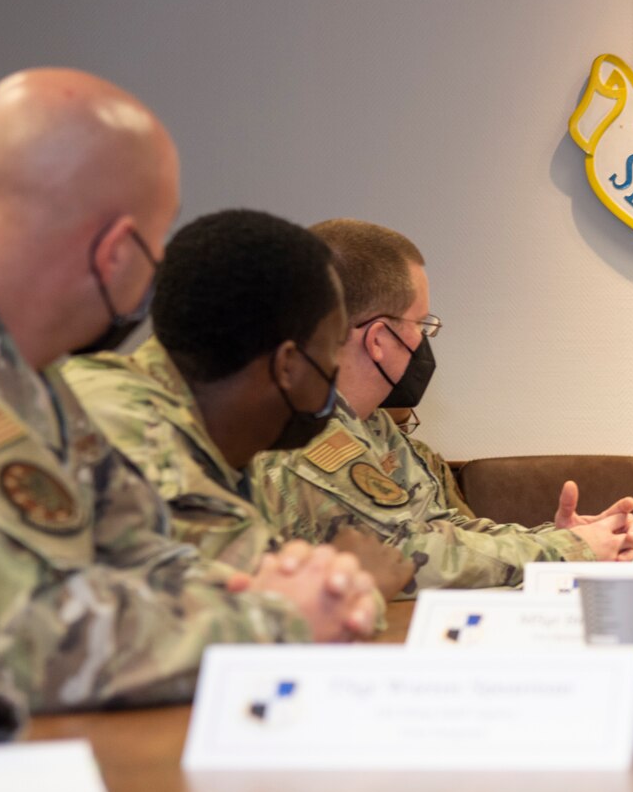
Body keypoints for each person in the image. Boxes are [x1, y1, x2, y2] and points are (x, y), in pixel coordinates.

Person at [0, 68, 383, 713]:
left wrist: (284, 591)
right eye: (157, 240)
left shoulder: (23, 370)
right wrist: (279, 623)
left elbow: (141, 549)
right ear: (115, 254)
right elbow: (18, 641)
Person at [251, 219, 633, 590]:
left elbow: (441, 530)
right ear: (379, 340)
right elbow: (404, 557)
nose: (423, 341)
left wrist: (558, 539)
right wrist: (572, 552)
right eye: (420, 324)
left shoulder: (371, 426)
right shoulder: (298, 434)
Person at [63, 209, 413, 598]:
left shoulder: (215, 438)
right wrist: (352, 584)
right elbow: (251, 611)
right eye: (332, 349)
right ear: (287, 366)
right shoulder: (135, 434)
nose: (335, 369)